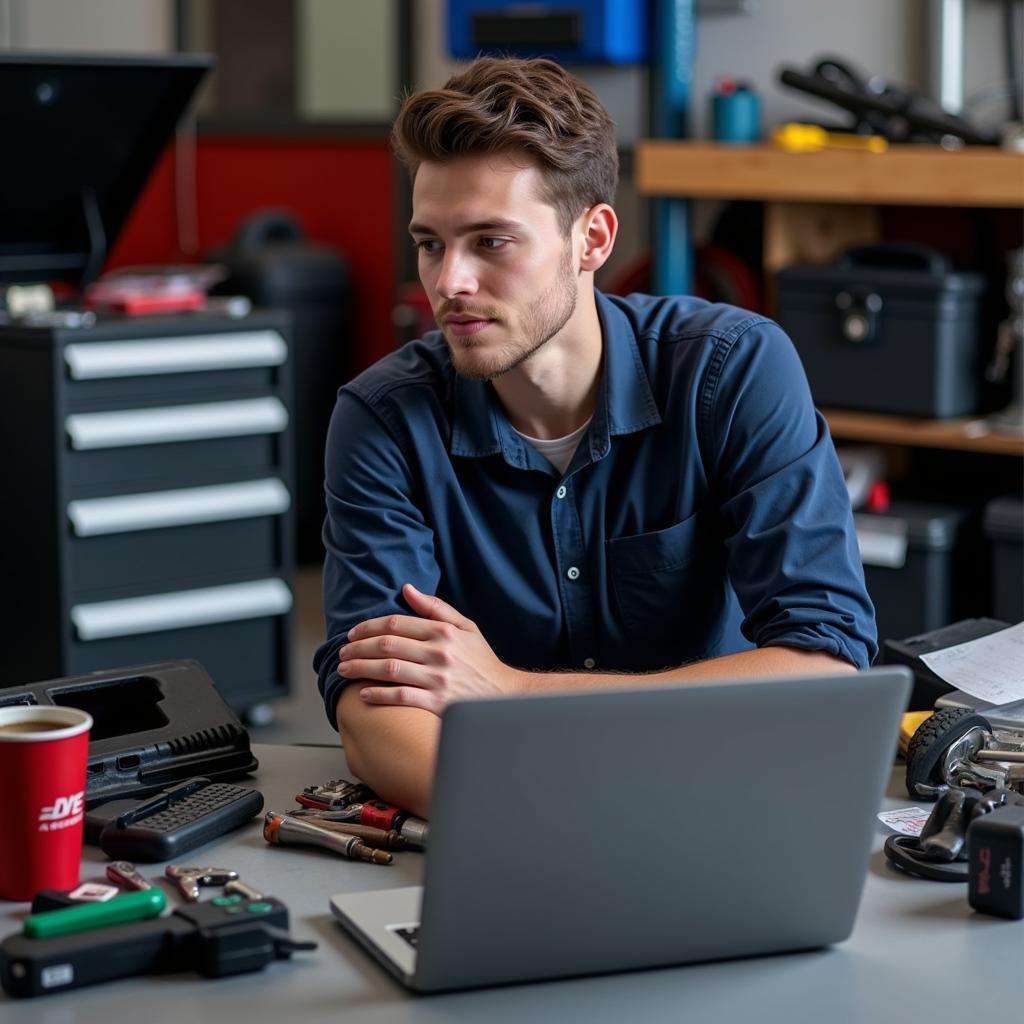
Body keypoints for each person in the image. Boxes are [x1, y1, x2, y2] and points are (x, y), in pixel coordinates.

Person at [314, 57, 876, 818]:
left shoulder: (735, 368)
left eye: (491, 242)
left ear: (593, 238)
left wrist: (513, 689)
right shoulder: (382, 420)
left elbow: (825, 661)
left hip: (720, 800)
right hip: (508, 819)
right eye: (430, 244)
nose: (448, 283)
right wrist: (553, 824)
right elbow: (374, 703)